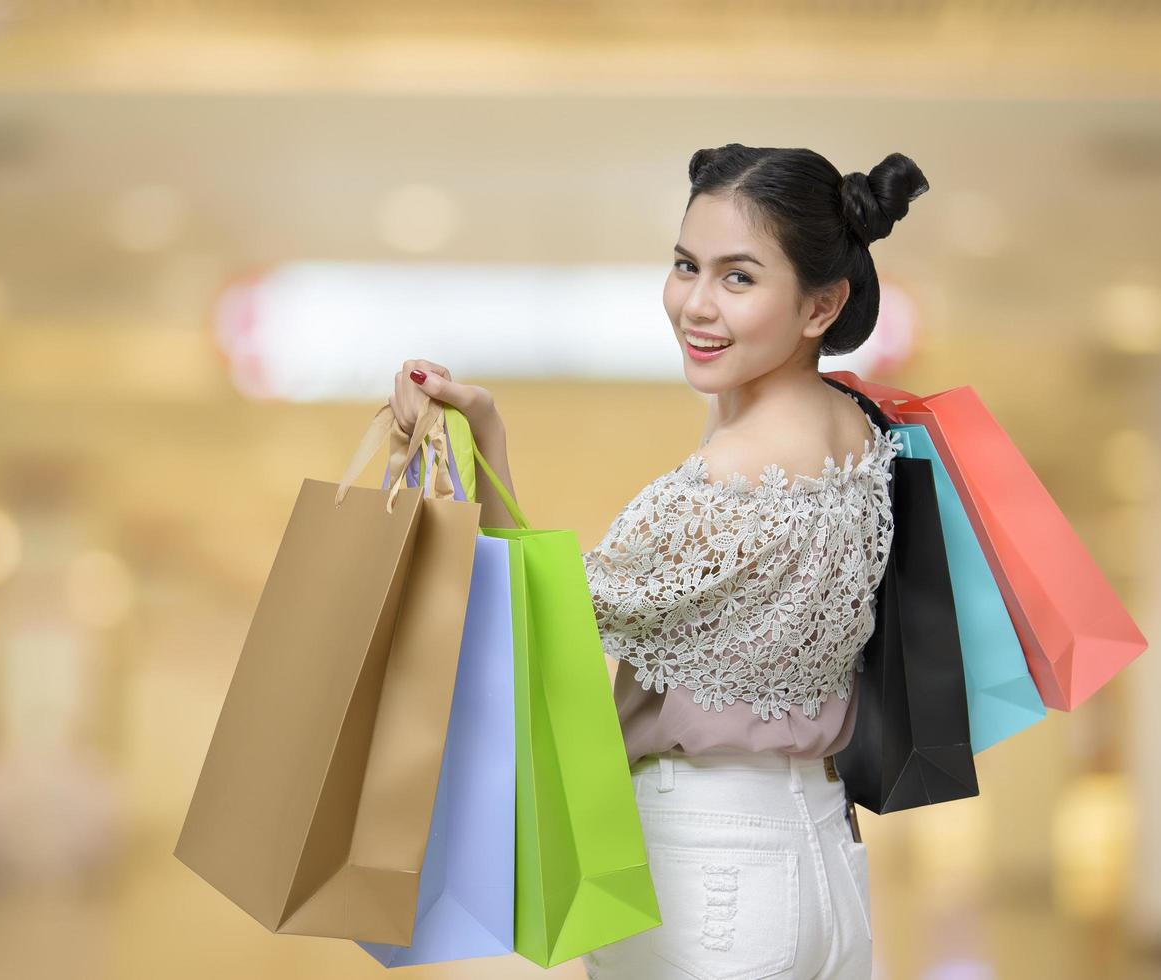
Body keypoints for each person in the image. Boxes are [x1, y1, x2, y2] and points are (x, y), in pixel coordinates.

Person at [388, 144, 929, 979]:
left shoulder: (728, 475)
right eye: (686, 266)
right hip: (822, 854)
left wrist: (482, 440)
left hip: (709, 865)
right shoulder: (859, 433)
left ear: (822, 304)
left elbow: (535, 618)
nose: (695, 305)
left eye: (739, 278)